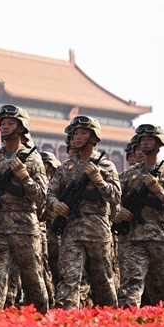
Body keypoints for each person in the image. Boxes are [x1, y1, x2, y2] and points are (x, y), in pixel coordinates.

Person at [0, 104, 49, 314]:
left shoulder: (33, 159)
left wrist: (25, 177)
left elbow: (41, 196)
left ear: (22, 127)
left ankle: (42, 318)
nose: (5, 127)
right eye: (3, 123)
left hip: (25, 227)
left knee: (32, 278)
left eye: (10, 123)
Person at [46, 115, 121, 309]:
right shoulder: (66, 167)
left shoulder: (106, 166)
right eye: (75, 134)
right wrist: (55, 204)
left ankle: (111, 317)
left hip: (98, 233)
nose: (77, 137)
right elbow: (49, 192)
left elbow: (115, 196)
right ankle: (66, 318)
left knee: (103, 281)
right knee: (68, 279)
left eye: (83, 133)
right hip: (72, 233)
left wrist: (99, 181)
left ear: (94, 137)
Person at [113, 124, 164, 308]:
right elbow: (114, 199)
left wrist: (158, 190)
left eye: (149, 140)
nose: (145, 143)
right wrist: (118, 212)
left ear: (158, 144)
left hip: (159, 237)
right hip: (133, 237)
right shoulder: (130, 174)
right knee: (131, 284)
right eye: (142, 140)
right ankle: (129, 318)